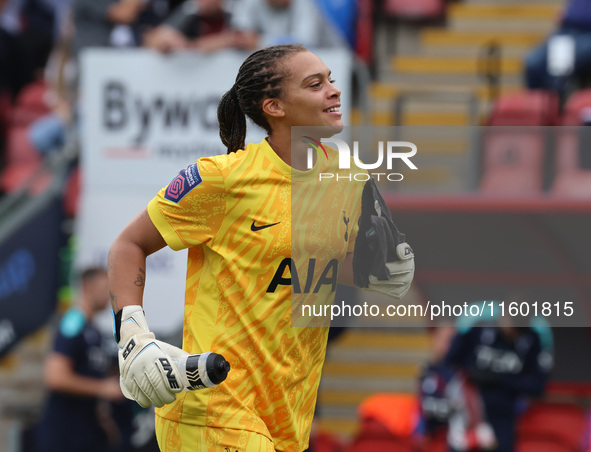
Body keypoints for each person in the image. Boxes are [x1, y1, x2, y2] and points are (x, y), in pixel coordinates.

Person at [107, 44, 414, 451]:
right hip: (215, 409)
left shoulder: (348, 176)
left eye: (331, 81)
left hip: (289, 416)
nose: (334, 91)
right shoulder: (222, 179)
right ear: (275, 106)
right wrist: (132, 334)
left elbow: (334, 263)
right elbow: (128, 244)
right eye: (315, 84)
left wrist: (381, 267)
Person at [36, 267, 126, 452]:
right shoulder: (73, 322)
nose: (109, 294)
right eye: (105, 287)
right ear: (87, 287)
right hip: (65, 433)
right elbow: (56, 377)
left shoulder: (94, 330)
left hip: (86, 432)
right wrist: (103, 388)